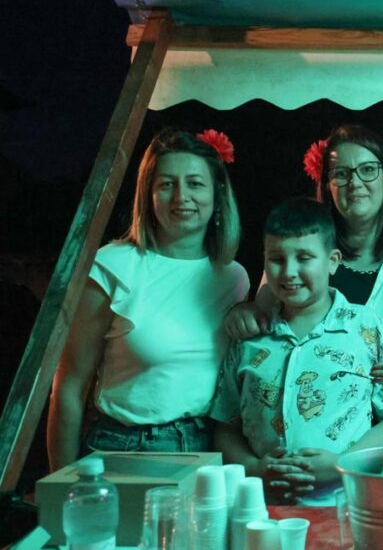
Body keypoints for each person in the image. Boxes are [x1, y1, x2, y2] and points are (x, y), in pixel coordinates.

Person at [47, 128, 250, 470]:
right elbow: (69, 385)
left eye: (195, 183)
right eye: (167, 184)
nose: (181, 196)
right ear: (148, 194)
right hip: (124, 448)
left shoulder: (234, 278)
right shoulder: (113, 266)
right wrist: (61, 484)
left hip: (207, 449)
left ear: (217, 193)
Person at [211, 198, 383, 504]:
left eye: (304, 258)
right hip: (263, 508)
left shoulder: (365, 328)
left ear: (332, 261)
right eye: (277, 259)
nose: (289, 271)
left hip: (346, 507)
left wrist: (343, 464)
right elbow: (225, 426)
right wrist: (254, 468)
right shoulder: (251, 335)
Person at [225, 124, 383, 389]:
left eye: (367, 170)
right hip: (308, 402)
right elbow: (263, 321)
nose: (355, 183)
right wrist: (243, 312)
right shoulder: (299, 250)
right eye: (341, 173)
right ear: (328, 185)